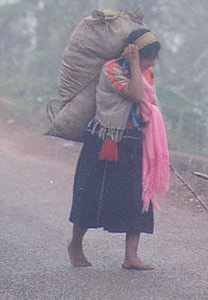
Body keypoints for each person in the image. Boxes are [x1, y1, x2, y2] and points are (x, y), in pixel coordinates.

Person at [67, 28, 169, 270]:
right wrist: (134, 63)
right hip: (105, 140)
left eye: (153, 57)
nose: (151, 62)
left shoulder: (145, 73)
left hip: (134, 140)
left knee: (136, 198)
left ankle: (131, 256)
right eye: (148, 56)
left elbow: (149, 103)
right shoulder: (111, 69)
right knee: (91, 195)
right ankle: (75, 244)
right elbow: (135, 95)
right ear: (133, 52)